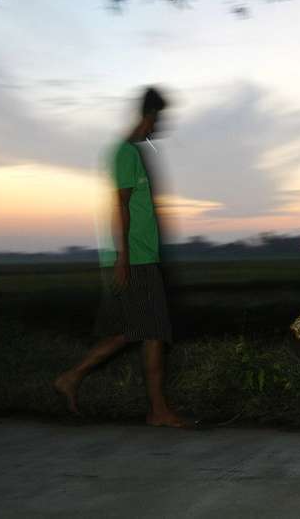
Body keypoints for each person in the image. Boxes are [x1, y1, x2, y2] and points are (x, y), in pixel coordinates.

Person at [54, 87, 190, 428]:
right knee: (152, 332)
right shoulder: (125, 153)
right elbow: (121, 207)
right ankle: (157, 411)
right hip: (137, 259)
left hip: (143, 257)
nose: (162, 126)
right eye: (161, 119)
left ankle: (73, 378)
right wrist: (124, 258)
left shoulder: (133, 153)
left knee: (136, 332)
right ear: (150, 117)